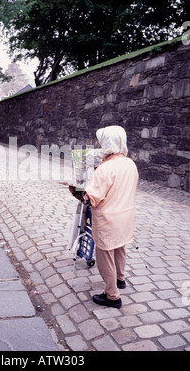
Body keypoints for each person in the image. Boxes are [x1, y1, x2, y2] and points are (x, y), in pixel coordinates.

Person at [69, 125, 139, 309]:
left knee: (105, 255)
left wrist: (73, 189)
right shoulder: (130, 164)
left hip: (108, 220)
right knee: (120, 248)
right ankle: (120, 279)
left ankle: (112, 295)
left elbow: (89, 198)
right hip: (125, 217)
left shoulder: (105, 169)